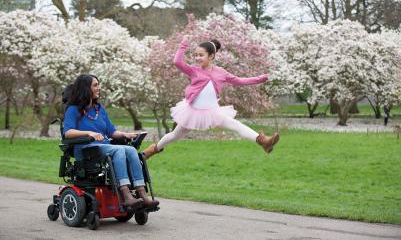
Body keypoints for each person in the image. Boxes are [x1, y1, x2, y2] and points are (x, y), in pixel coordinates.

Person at [142, 35, 280, 160]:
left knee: (235, 124)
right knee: (174, 135)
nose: (197, 58)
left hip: (212, 112)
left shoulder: (221, 73)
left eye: (201, 55)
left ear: (211, 56)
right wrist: (183, 45)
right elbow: (177, 62)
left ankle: (263, 142)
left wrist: (258, 79)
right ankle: (150, 152)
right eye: (196, 55)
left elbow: (239, 81)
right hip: (192, 112)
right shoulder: (193, 70)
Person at [63, 74, 159, 209]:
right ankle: (125, 194)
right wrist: (89, 133)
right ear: (85, 88)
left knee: (131, 149)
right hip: (86, 150)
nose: (99, 88)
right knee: (118, 150)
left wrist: (126, 134)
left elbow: (111, 132)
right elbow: (68, 132)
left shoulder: (99, 109)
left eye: (98, 84)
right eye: (95, 85)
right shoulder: (73, 110)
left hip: (102, 148)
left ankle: (142, 193)